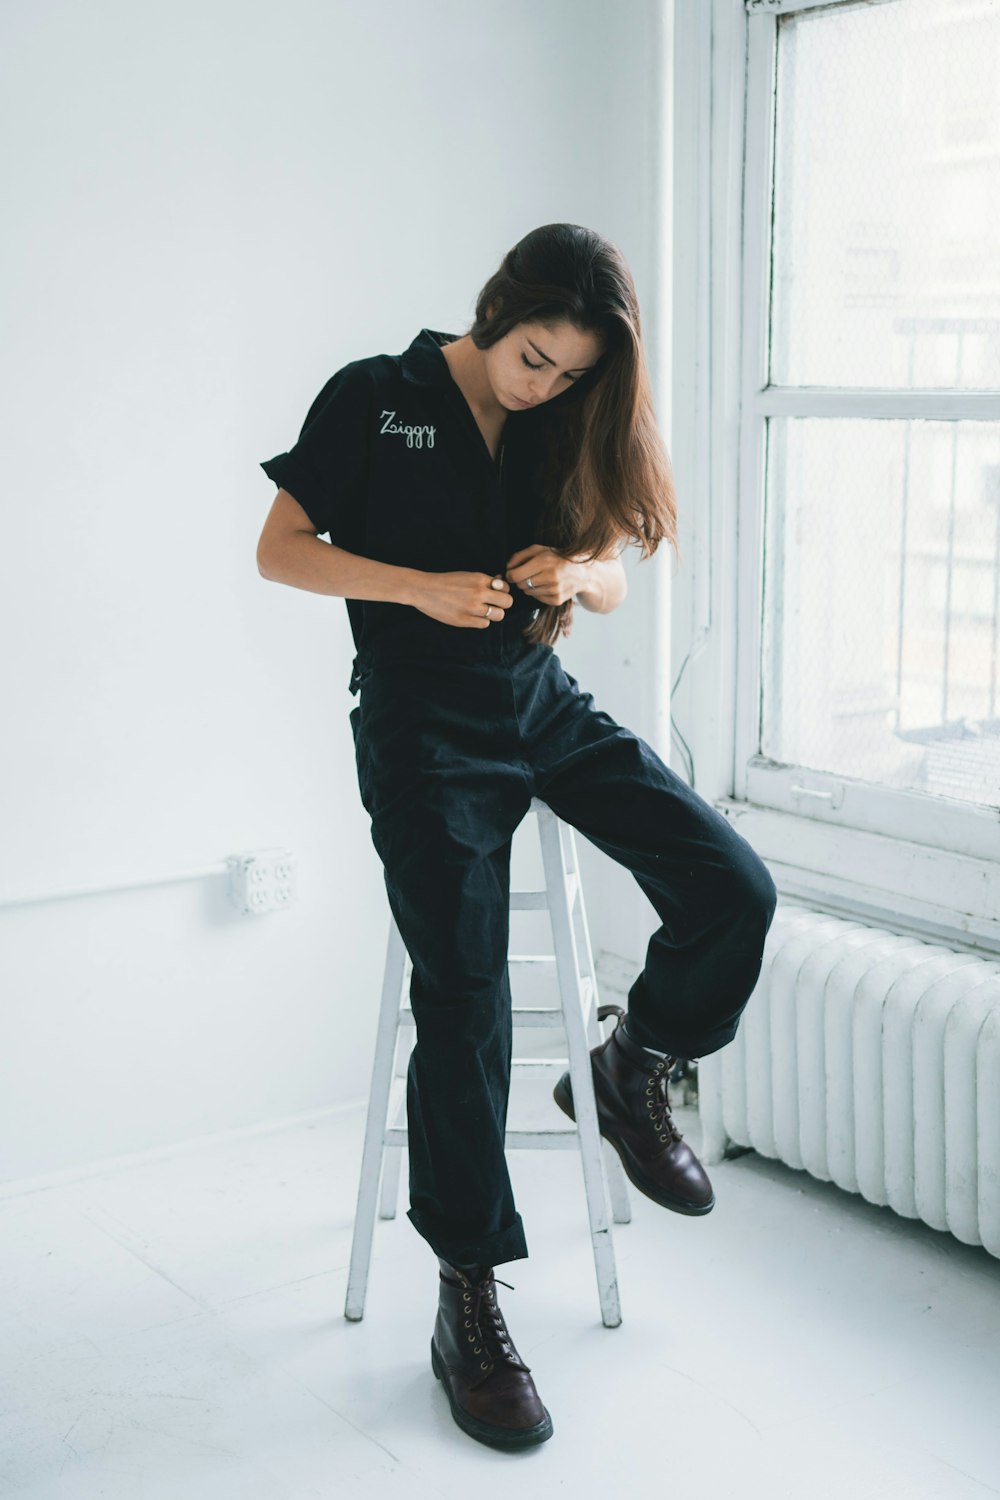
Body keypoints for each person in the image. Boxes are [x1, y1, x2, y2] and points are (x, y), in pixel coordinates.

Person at [256, 223, 778, 1451]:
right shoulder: (374, 398)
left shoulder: (565, 419)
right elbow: (281, 553)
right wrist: (417, 588)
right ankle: (468, 1297)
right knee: (468, 999)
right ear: (497, 309)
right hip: (422, 729)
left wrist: (575, 575)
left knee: (731, 886)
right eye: (534, 358)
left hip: (539, 702)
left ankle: (630, 1060)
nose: (543, 385)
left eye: (567, 374)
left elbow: (618, 573)